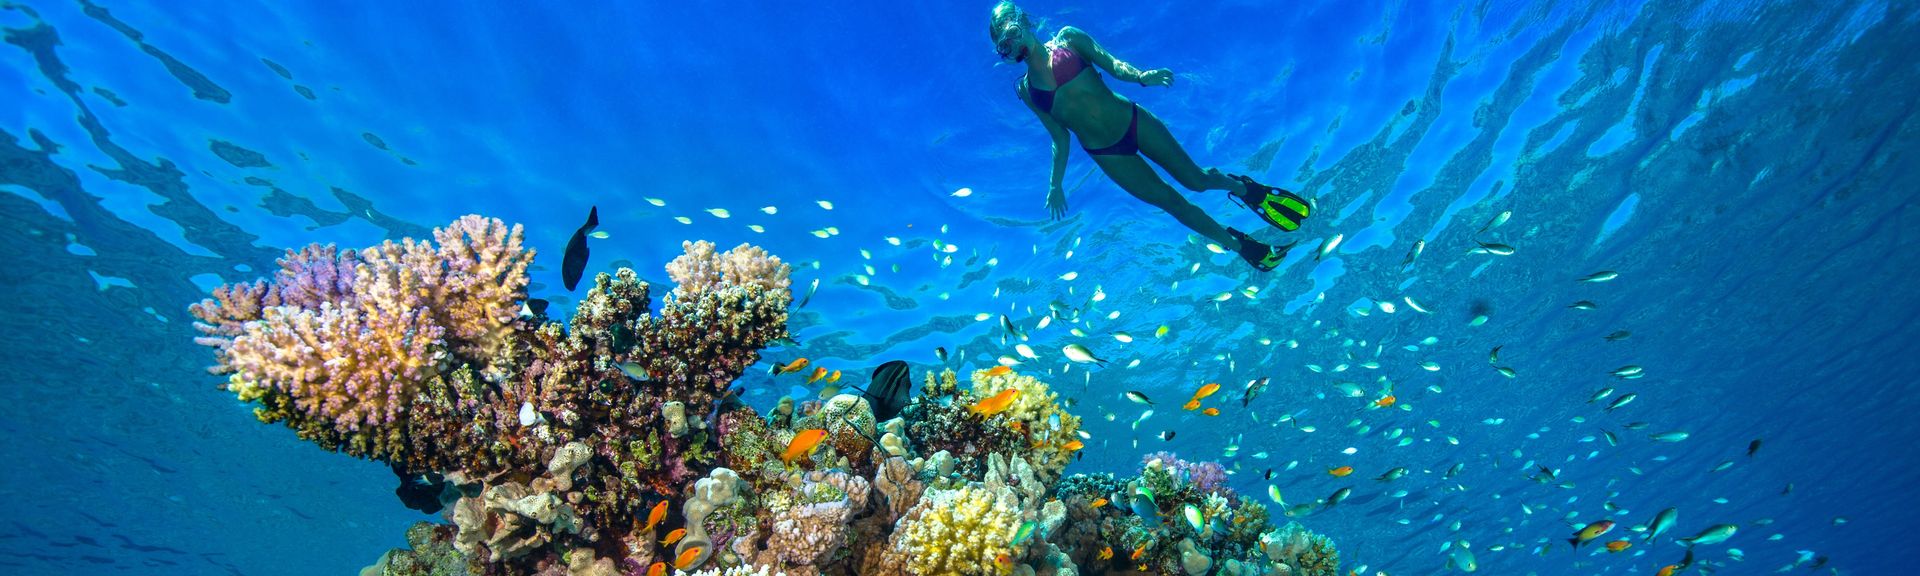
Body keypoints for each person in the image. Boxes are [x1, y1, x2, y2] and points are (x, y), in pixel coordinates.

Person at [988, 1, 1311, 271]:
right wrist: (1055, 184)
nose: (1013, 44)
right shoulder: (1027, 90)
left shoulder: (1068, 39)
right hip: (1107, 153)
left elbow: (1113, 64)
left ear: (1024, 22)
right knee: (1172, 203)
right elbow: (1059, 137)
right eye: (1004, 44)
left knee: (1196, 180)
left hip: (1133, 121)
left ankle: (1245, 189)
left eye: (1012, 32)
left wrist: (1142, 76)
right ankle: (1240, 245)